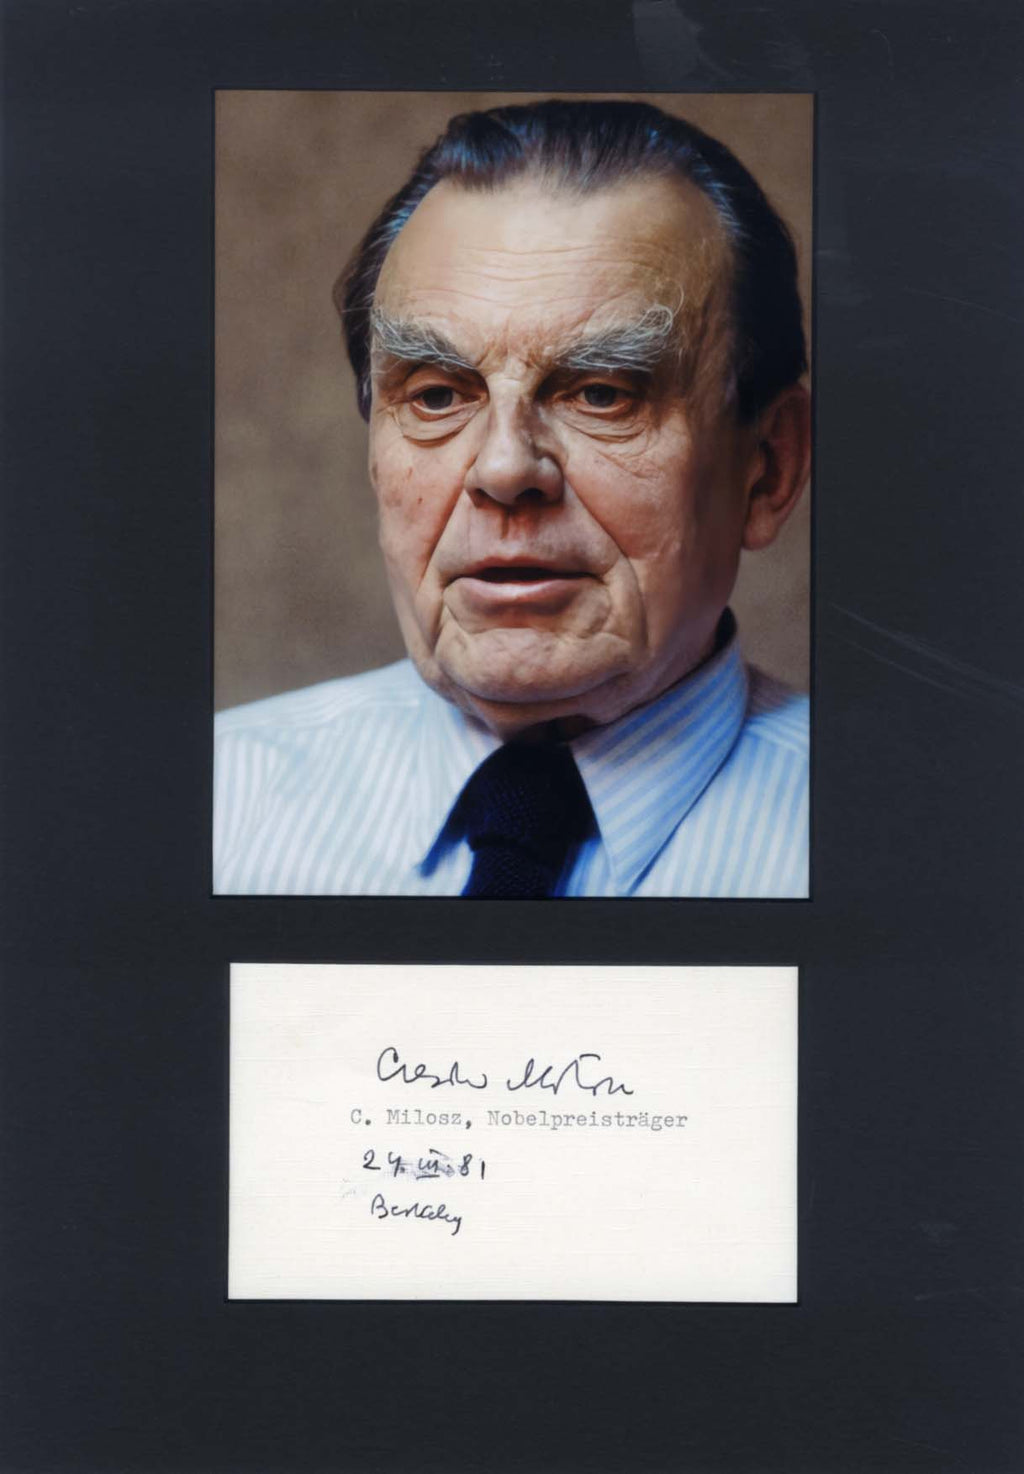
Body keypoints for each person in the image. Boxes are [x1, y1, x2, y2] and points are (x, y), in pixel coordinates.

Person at [214, 99, 811, 898]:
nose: (503, 469)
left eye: (602, 394)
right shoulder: (215, 813)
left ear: (768, 468)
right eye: (435, 396)